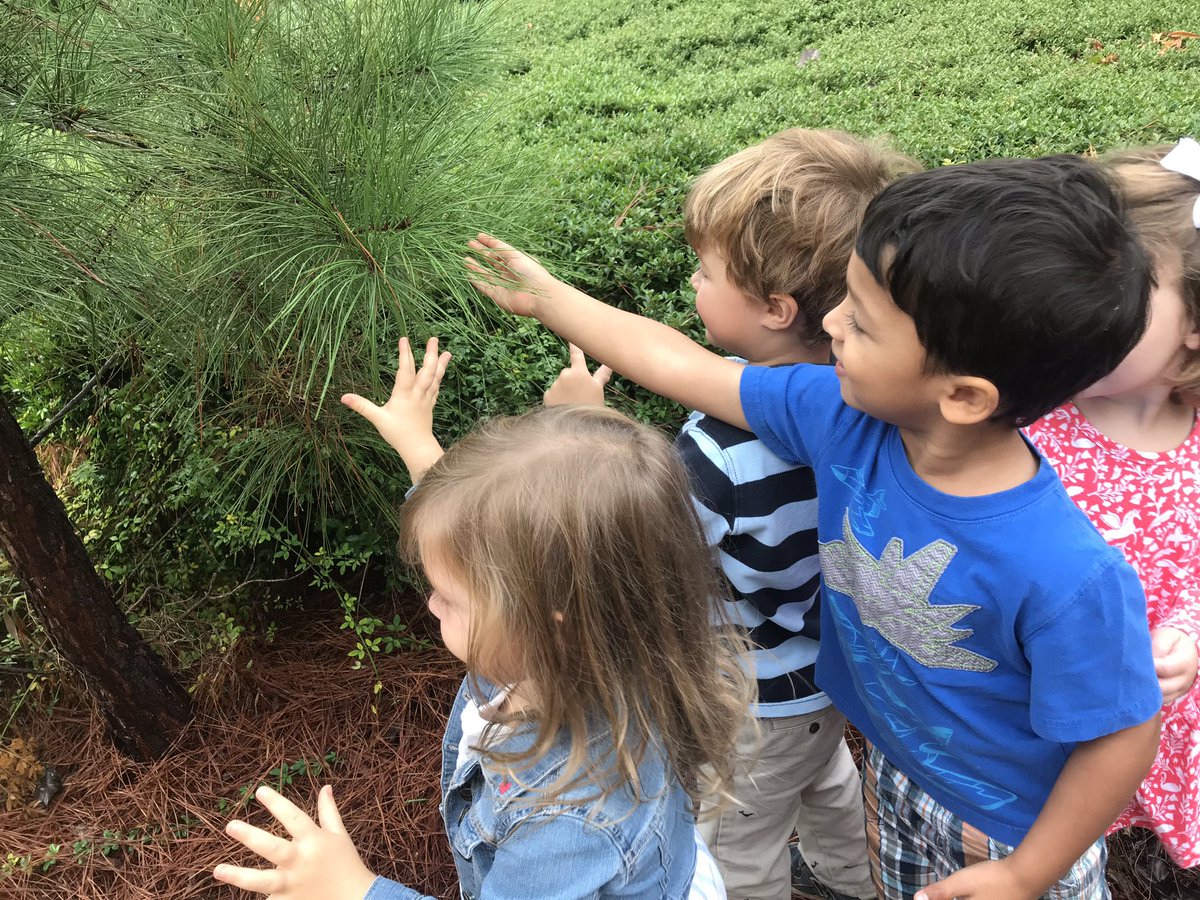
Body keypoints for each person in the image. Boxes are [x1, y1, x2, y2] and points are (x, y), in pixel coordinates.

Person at [464, 154, 1165, 900]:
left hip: (1005, 824)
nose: (828, 320)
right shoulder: (840, 416)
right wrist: (550, 299)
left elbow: (1122, 735)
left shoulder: (1065, 571)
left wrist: (1028, 873)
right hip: (895, 766)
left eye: (861, 321)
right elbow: (680, 365)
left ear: (961, 394)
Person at [212, 337, 751, 899]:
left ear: (547, 621)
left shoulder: (567, 821)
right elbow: (484, 542)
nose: (430, 604)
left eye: (450, 597)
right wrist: (419, 445)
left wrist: (355, 891)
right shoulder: (601, 642)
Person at [544, 128, 916, 900]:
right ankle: (858, 882)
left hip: (749, 701)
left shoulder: (719, 453)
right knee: (832, 792)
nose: (692, 282)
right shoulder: (872, 410)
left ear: (776, 309)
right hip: (829, 681)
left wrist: (592, 427)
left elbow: (647, 554)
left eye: (706, 271)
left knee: (737, 843)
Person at [1026, 139, 1200, 871]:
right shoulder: (1023, 424)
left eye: (1119, 296)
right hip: (1052, 707)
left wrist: (1190, 631)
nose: (1075, 314)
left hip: (1171, 700)